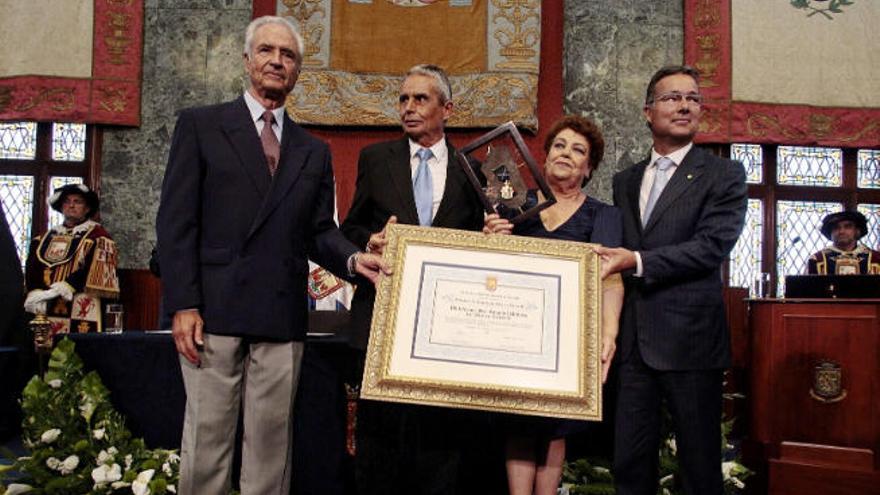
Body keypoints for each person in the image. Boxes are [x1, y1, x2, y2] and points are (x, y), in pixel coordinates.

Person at [156, 16, 387, 495]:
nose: (276, 61)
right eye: (266, 51)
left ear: (298, 71)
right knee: (207, 443)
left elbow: (319, 231)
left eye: (288, 55)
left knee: (269, 451)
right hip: (212, 313)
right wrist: (183, 302)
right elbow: (177, 223)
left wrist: (353, 260)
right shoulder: (201, 125)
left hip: (280, 316)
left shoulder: (313, 150)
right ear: (247, 61)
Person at [593, 65, 747, 495]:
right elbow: (608, 242)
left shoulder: (724, 174)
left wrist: (636, 261)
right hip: (633, 344)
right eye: (672, 97)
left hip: (691, 340)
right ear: (648, 111)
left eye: (693, 98)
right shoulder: (626, 181)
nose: (684, 105)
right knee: (629, 462)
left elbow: (711, 247)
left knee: (699, 468)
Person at [339, 64, 486, 495]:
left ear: (448, 108)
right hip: (383, 317)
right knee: (380, 441)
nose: (408, 107)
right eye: (403, 99)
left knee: (441, 441)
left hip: (448, 328)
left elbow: (481, 242)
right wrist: (371, 240)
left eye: (420, 99)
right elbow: (348, 230)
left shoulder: (472, 168)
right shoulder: (375, 158)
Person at [484, 115, 624, 495]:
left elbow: (611, 278)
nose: (567, 153)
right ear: (543, 157)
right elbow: (491, 268)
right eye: (560, 145)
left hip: (570, 339)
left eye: (579, 150)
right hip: (516, 336)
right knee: (519, 421)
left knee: (556, 425)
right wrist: (489, 238)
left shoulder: (603, 215)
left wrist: (608, 334)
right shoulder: (513, 206)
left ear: (589, 167)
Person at [23, 184, 119, 334]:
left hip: (79, 303)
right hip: (44, 304)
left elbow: (93, 269)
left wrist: (66, 286)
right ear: (61, 207)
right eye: (67, 201)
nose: (71, 205)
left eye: (77, 201)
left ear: (87, 208)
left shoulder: (98, 237)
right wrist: (35, 292)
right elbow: (32, 267)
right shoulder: (43, 238)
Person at [806, 210, 880, 275]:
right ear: (830, 233)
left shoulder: (876, 258)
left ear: (857, 231)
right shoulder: (817, 260)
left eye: (847, 227)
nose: (841, 231)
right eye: (836, 228)